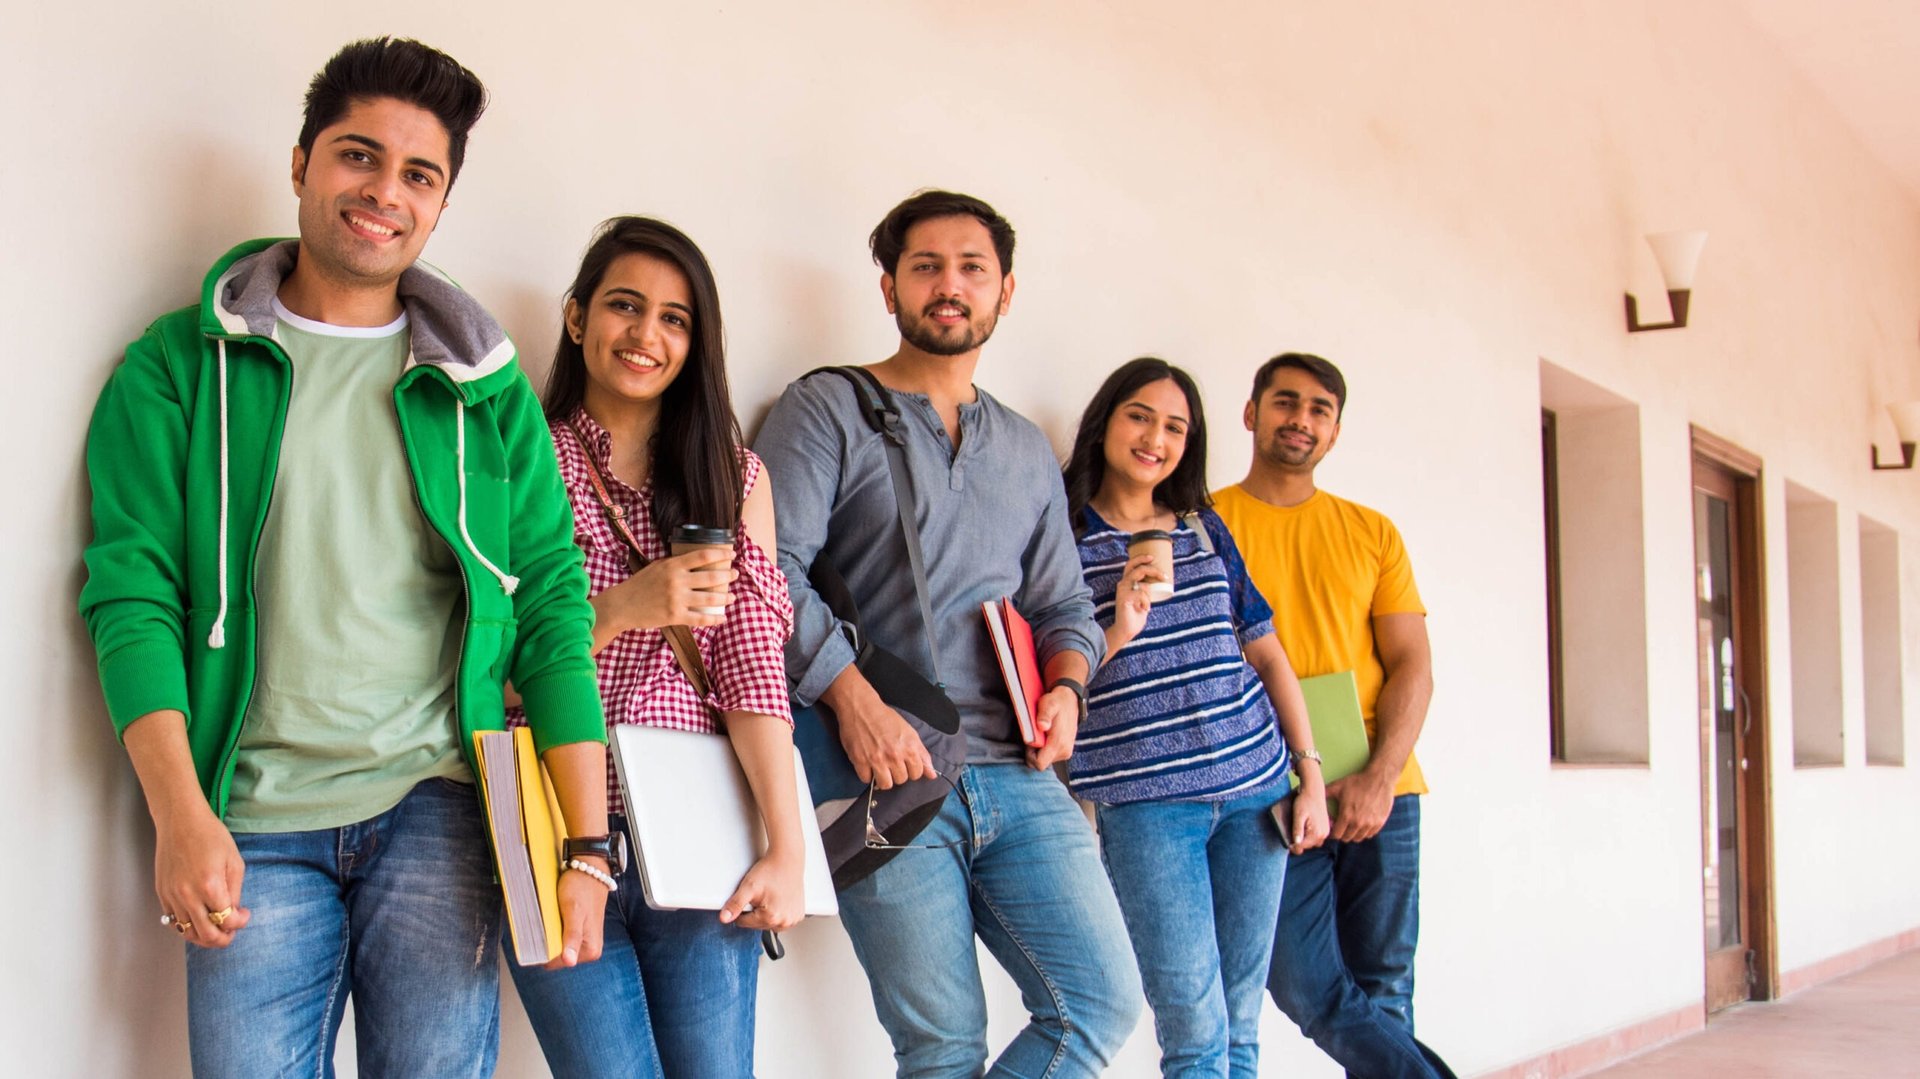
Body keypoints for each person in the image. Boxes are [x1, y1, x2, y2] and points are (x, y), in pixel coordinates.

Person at [77, 38, 613, 1077]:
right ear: (301, 163)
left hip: (439, 805)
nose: (384, 192)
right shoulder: (177, 366)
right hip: (250, 813)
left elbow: (551, 602)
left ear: (443, 202)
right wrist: (180, 811)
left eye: (420, 174)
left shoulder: (481, 384)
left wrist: (587, 844)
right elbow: (133, 592)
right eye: (358, 156)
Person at [755, 189, 1142, 1077]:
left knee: (1098, 1006)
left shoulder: (1026, 449)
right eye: (925, 266)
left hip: (1021, 775)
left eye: (972, 267)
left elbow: (1063, 605)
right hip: (883, 778)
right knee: (942, 1047)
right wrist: (851, 698)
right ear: (888, 288)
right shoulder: (827, 408)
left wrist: (1070, 689)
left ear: (1007, 292)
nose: (949, 285)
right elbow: (766, 568)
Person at [504, 216, 805, 1079]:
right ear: (575, 318)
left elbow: (753, 671)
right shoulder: (521, 462)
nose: (646, 334)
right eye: (624, 306)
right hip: (551, 822)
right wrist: (626, 606)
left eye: (675, 318)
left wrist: (784, 845)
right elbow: (485, 672)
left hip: (701, 825)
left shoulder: (735, 476)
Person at [1062, 357, 1329, 1078]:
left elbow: (1268, 656)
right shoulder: (1059, 532)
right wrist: (1120, 619)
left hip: (1256, 789)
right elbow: (1053, 671)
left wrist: (1311, 774)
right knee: (1193, 1026)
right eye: (1140, 416)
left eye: (1175, 426)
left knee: (1240, 1020)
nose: (1156, 438)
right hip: (1146, 806)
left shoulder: (1203, 527)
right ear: (1107, 421)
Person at [1212, 353, 1454, 1078]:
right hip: (1268, 787)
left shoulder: (1372, 531)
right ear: (1251, 412)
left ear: (1336, 431)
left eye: (1319, 409)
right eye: (1286, 402)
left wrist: (1380, 776)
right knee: (1304, 982)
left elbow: (1413, 662)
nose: (1301, 419)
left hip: (1384, 786)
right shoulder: (1207, 522)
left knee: (1385, 987)